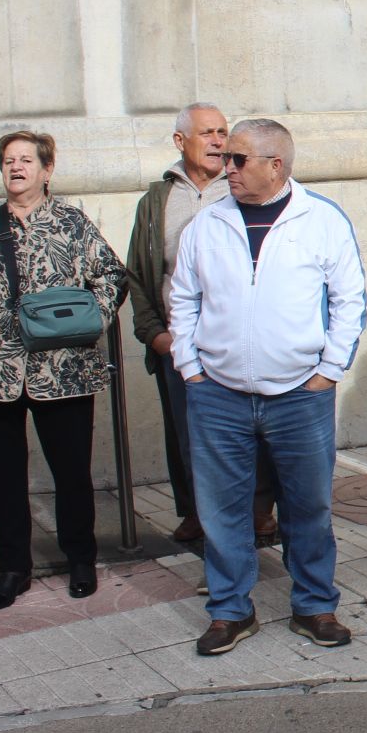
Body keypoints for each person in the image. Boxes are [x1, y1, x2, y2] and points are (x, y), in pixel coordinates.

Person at [171, 118, 367, 656]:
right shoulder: (207, 225)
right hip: (219, 395)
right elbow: (183, 299)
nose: (224, 167)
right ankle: (231, 611)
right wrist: (191, 368)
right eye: (225, 158)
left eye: (238, 159)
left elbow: (349, 299)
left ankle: (314, 605)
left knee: (309, 507)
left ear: (275, 165)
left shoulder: (322, 220)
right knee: (221, 510)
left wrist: (328, 370)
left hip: (299, 395)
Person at [0, 131, 128, 612]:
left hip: (62, 370)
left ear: (46, 169)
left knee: (71, 472)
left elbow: (113, 275)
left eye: (25, 160)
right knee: (0, 477)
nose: (16, 167)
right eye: (8, 160)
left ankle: (80, 559)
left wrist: (91, 318)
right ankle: (13, 568)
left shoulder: (72, 223)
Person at [125, 103, 230, 544]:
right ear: (180, 141)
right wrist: (156, 335)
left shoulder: (241, 186)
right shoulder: (157, 201)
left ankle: (257, 508)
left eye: (223, 131)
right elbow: (138, 274)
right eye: (207, 132)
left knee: (243, 435)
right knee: (185, 434)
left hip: (232, 342)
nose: (218, 141)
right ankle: (193, 510)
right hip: (179, 342)